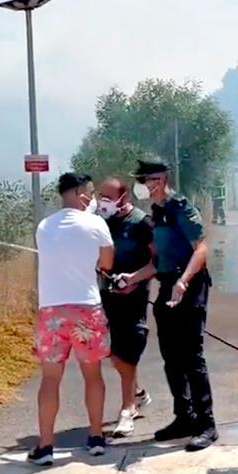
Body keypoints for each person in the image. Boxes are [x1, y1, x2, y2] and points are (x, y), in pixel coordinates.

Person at [118, 158, 218, 451]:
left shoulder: (181, 208)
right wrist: (132, 278)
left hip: (190, 287)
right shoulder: (158, 212)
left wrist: (184, 280)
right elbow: (158, 261)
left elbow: (201, 249)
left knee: (192, 358)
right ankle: (184, 417)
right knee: (172, 358)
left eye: (144, 180)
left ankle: (206, 424)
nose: (141, 185)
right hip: (166, 286)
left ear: (158, 181)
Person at [28, 173, 114, 466]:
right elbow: (107, 264)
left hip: (51, 311)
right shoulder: (96, 224)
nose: (92, 198)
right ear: (78, 192)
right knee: (93, 375)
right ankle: (95, 438)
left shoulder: (43, 226)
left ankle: (46, 445)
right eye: (89, 193)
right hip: (86, 309)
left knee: (50, 380)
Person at [96, 177, 156, 437]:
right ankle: (137, 391)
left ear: (125, 198)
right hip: (106, 296)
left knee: (127, 352)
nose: (103, 202)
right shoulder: (101, 223)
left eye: (109, 197)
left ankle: (127, 409)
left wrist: (134, 280)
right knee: (114, 355)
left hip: (133, 297)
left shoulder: (142, 224)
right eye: (101, 196)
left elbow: (158, 261)